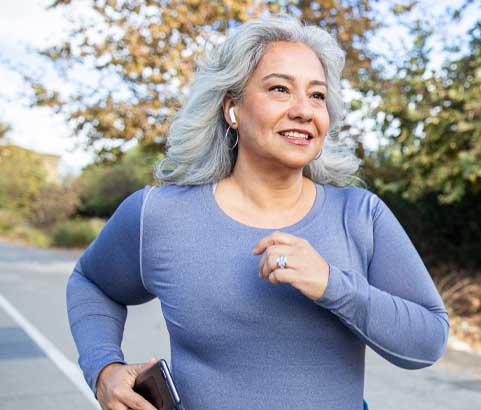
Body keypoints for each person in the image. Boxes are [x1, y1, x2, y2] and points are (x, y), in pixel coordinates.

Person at [65, 16, 449, 410]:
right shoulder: (159, 215)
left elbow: (427, 341)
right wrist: (103, 368)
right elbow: (91, 282)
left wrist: (334, 285)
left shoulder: (360, 215)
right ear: (233, 108)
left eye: (317, 96)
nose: (304, 110)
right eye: (280, 89)